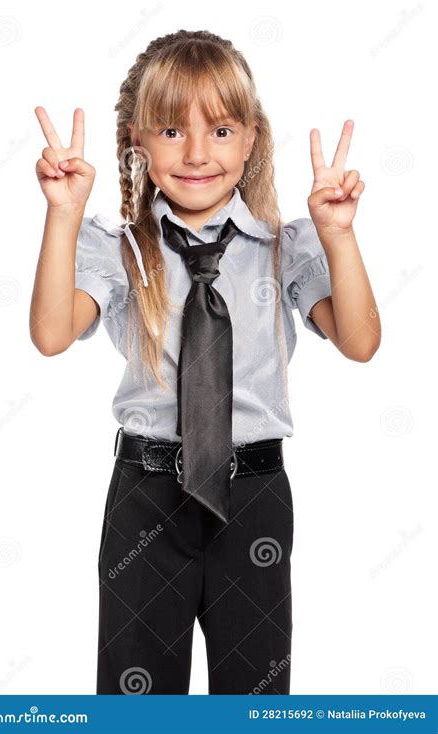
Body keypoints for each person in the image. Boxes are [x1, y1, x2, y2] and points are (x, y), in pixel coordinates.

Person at [30, 29, 380, 695]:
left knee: (254, 697)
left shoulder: (288, 246)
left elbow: (361, 342)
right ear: (138, 142)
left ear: (251, 139)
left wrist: (338, 235)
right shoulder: (119, 248)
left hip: (253, 499)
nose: (196, 153)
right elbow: (51, 333)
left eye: (220, 132)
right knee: (137, 700)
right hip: (146, 497)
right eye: (170, 131)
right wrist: (63, 218)